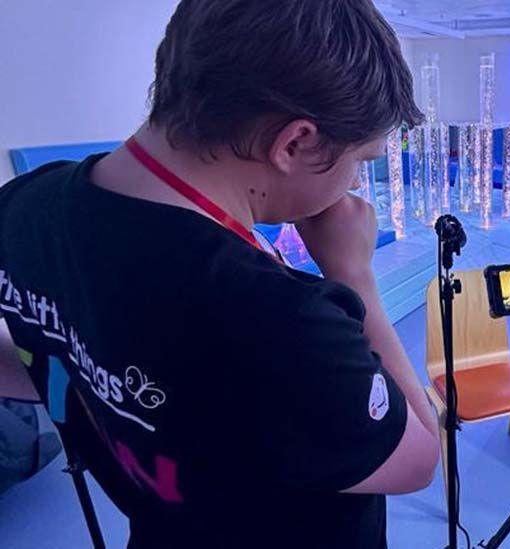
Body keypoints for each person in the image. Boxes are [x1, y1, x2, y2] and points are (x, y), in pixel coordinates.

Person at [0, 1, 440, 547]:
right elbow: (418, 458)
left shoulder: (26, 205)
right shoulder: (280, 318)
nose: (354, 184)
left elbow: (40, 352)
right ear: (294, 143)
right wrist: (354, 274)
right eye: (361, 162)